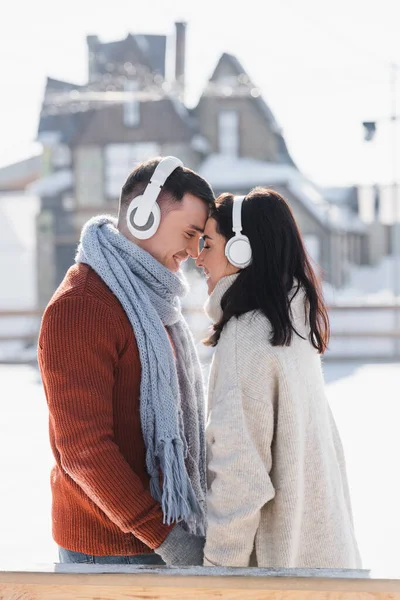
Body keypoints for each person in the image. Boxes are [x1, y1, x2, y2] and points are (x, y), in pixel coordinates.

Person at [38, 156, 215, 565]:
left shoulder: (156, 305)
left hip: (156, 539)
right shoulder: (83, 305)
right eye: (189, 233)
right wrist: (168, 539)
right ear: (142, 216)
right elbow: (83, 449)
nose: (193, 251)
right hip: (109, 551)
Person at [195, 187, 361, 568]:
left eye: (208, 243)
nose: (197, 258)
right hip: (329, 566)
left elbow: (240, 480)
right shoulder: (291, 329)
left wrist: (214, 581)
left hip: (282, 577)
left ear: (241, 250)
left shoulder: (247, 339)